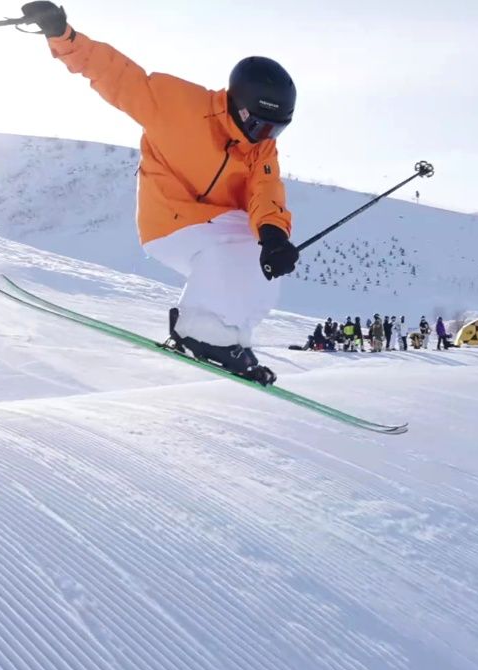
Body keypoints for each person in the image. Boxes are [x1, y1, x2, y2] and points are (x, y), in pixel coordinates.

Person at [23, 2, 299, 386]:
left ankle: (230, 339)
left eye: (274, 130)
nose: (261, 136)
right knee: (239, 244)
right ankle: (199, 330)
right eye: (258, 123)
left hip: (217, 226)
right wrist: (62, 36)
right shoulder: (177, 103)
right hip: (168, 221)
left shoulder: (260, 149)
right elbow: (116, 75)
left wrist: (274, 234)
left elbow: (266, 190)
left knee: (265, 261)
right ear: (236, 102)